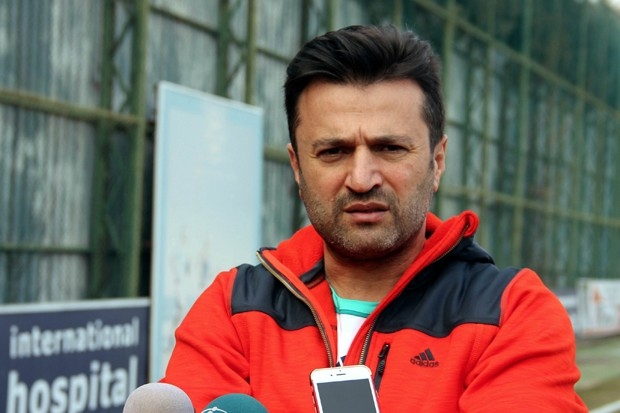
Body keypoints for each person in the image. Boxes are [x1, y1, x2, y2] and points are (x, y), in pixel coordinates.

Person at [161, 25, 587, 412]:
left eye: (390, 149)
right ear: (297, 168)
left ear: (437, 161)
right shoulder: (232, 307)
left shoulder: (511, 312)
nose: (362, 179)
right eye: (333, 152)